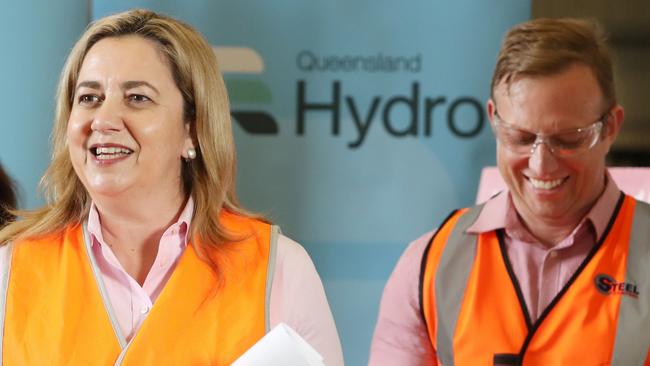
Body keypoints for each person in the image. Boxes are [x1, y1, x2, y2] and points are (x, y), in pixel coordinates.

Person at [0, 9, 343, 365]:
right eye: (89, 98)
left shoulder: (279, 269)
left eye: (137, 98)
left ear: (192, 129)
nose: (102, 120)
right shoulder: (11, 269)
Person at [370, 18, 650, 365]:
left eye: (568, 140)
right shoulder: (430, 262)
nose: (542, 165)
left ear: (611, 127)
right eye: (521, 138)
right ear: (494, 120)